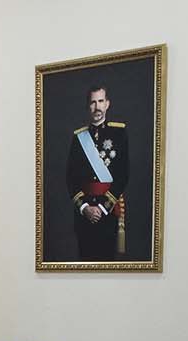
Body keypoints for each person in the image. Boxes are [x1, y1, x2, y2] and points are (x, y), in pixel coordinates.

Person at [65, 83, 130, 261]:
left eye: (100, 101)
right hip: (83, 215)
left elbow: (123, 174)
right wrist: (84, 207)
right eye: (93, 102)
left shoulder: (119, 133)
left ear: (107, 103)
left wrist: (102, 208)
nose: (97, 106)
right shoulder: (79, 138)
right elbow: (70, 178)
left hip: (108, 213)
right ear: (88, 106)